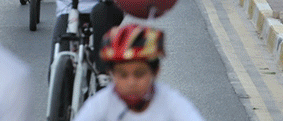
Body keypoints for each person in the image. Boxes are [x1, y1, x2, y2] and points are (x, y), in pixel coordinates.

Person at [73, 24, 207, 121]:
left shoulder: (172, 103)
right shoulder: (100, 104)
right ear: (111, 73)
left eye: (139, 74)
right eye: (123, 75)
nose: (131, 83)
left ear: (155, 72)